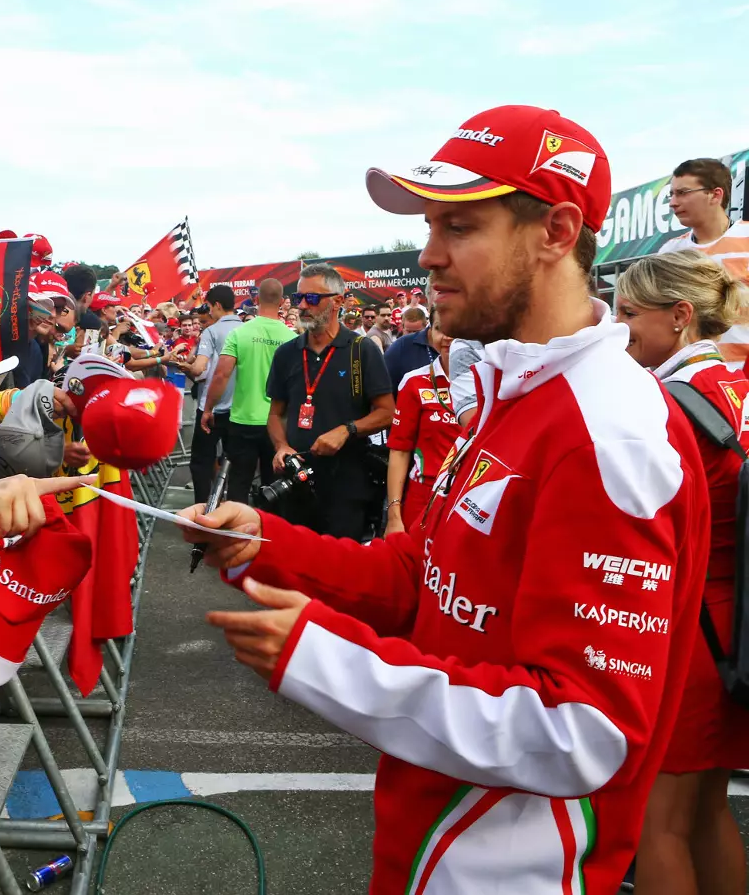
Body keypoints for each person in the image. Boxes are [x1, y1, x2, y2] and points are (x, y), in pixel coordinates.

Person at [186, 104, 709, 894]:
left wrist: (330, 660)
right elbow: (428, 573)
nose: (427, 256)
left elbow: (586, 732)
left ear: (557, 233)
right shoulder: (517, 389)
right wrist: (268, 541)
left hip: (510, 869)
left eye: (457, 227)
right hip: (431, 842)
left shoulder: (611, 431)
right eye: (429, 227)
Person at [615, 249, 749, 895]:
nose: (619, 329)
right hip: (738, 625)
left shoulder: (668, 403)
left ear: (679, 316)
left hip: (692, 626)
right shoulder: (738, 382)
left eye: (629, 313)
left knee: (657, 824)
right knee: (707, 809)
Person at [265, 263, 394, 539]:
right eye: (298, 297)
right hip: (296, 482)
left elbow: (387, 412)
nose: (301, 305)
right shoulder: (287, 353)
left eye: (311, 298)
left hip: (346, 486)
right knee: (295, 567)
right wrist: (281, 446)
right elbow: (276, 414)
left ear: (337, 301)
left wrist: (347, 430)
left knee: (339, 571)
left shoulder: (362, 350)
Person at [202, 278, 296, 503]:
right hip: (279, 425)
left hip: (244, 420)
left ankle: (238, 534)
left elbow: (221, 375)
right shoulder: (293, 339)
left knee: (239, 483)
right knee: (275, 487)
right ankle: (272, 533)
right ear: (283, 302)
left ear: (256, 299)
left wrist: (208, 409)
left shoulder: (240, 334)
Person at [657, 158, 749, 365]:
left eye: (683, 193)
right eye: (672, 194)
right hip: (689, 381)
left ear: (715, 195)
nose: (673, 202)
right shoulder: (669, 253)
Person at [384, 308, 454, 536]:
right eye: (439, 329)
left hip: (473, 497)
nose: (447, 337)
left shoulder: (492, 380)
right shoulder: (414, 382)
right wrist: (394, 515)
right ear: (430, 333)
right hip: (423, 497)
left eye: (456, 330)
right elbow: (400, 451)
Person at [175, 285, 240, 505]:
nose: (209, 312)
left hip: (211, 408)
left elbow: (199, 368)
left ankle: (203, 509)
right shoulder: (247, 329)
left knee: (201, 463)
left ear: (218, 306)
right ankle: (233, 509)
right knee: (234, 461)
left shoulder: (211, 332)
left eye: (210, 307)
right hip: (239, 409)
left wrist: (185, 367)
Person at [383, 303, 442, 397]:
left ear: (426, 326)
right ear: (402, 326)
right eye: (408, 331)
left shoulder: (442, 344)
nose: (412, 335)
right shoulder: (397, 348)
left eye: (416, 332)